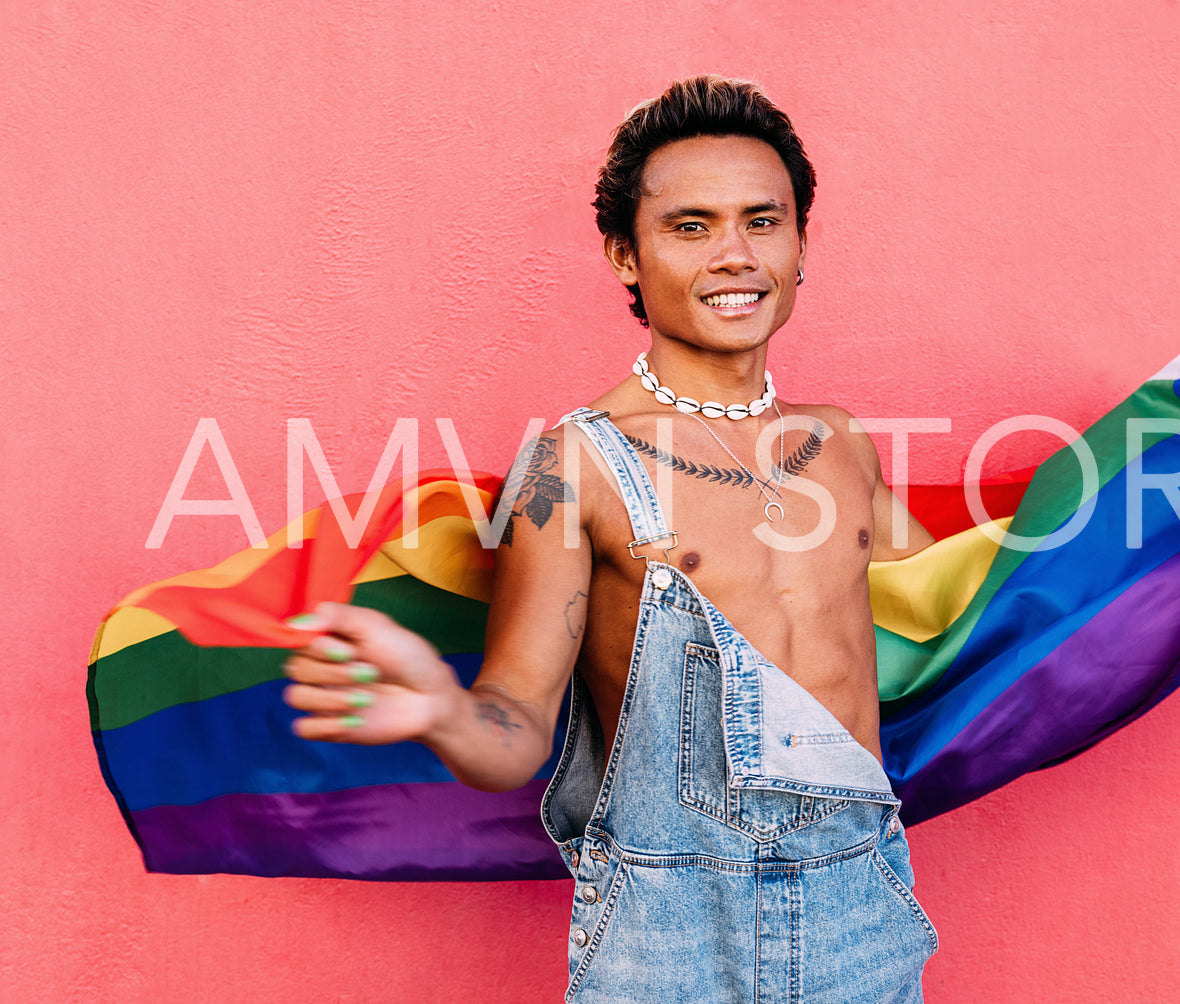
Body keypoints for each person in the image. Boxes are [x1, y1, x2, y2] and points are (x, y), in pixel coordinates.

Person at [281, 75, 940, 1002]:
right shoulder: (571, 468)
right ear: (624, 255)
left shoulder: (842, 446)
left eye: (762, 221)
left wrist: (1146, 506)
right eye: (690, 226)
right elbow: (514, 730)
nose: (733, 255)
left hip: (861, 910)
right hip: (666, 935)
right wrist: (439, 707)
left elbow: (965, 627)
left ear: (800, 245)